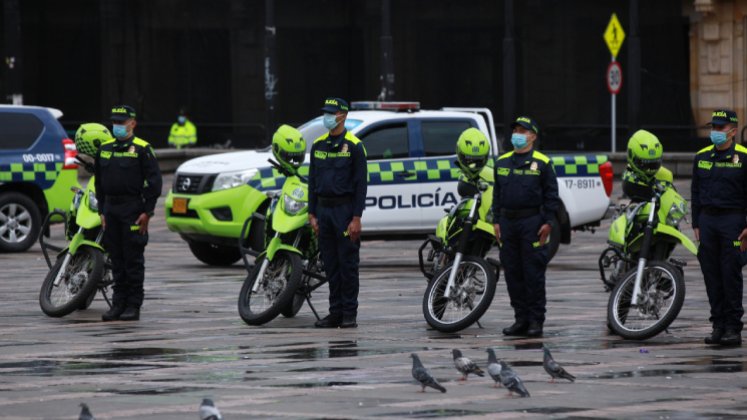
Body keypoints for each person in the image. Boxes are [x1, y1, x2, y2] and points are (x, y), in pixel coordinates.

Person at [493, 116, 560, 337]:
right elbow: (496, 195)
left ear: (532, 136)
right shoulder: (502, 162)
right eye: (515, 130)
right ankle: (520, 319)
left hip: (532, 223)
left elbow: (552, 196)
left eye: (523, 131)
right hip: (507, 223)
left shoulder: (542, 163)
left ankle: (535, 321)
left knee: (533, 273)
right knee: (513, 273)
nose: (517, 135)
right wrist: (496, 221)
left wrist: (549, 222)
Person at [95, 105, 163, 322]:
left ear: (132, 123)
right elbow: (98, 182)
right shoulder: (104, 148)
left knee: (132, 258)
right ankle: (118, 303)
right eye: (114, 122)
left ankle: (133, 305)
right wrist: (102, 211)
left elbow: (154, 183)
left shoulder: (143, 149)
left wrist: (148, 212)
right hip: (111, 209)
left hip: (133, 209)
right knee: (116, 258)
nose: (117, 126)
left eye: (121, 123)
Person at [308, 97, 367, 328]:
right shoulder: (318, 145)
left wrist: (356, 218)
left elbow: (361, 185)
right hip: (323, 211)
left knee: (347, 265)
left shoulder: (354, 146)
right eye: (326, 113)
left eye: (331, 113)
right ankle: (335, 313)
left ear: (343, 115)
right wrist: (311, 214)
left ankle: (349, 314)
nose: (327, 117)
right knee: (330, 265)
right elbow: (312, 181)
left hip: (344, 213)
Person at [692, 109, 747, 346]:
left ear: (733, 131)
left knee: (730, 274)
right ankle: (718, 325)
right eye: (713, 127)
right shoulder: (702, 156)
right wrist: (696, 223)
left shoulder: (744, 157)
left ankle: (733, 328)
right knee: (711, 275)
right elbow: (694, 192)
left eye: (720, 128)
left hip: (733, 223)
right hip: (707, 222)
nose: (715, 132)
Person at [621, 129, 672, 203]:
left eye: (654, 164)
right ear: (631, 157)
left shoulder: (666, 176)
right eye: (644, 164)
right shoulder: (629, 180)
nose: (650, 169)